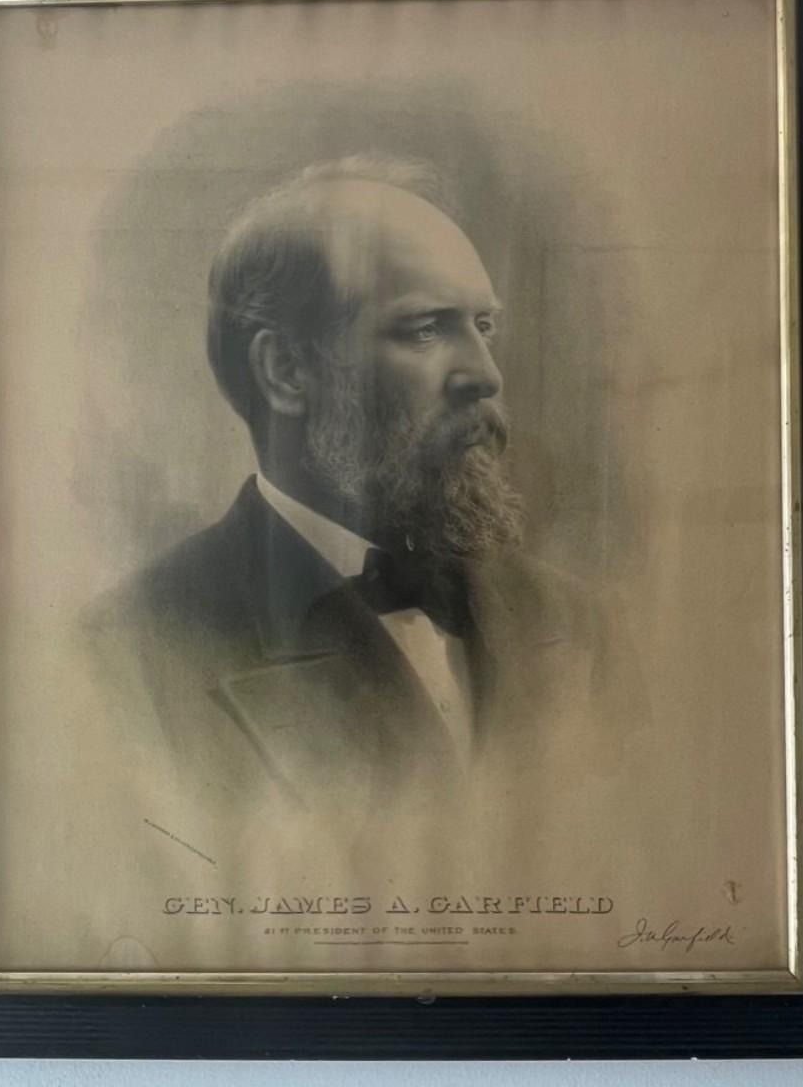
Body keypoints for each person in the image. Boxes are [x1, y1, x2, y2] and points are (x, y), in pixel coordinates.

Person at [85, 155, 638, 844]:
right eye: (426, 329)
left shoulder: (580, 626)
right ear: (286, 370)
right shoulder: (129, 661)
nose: (486, 375)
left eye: (484, 326)